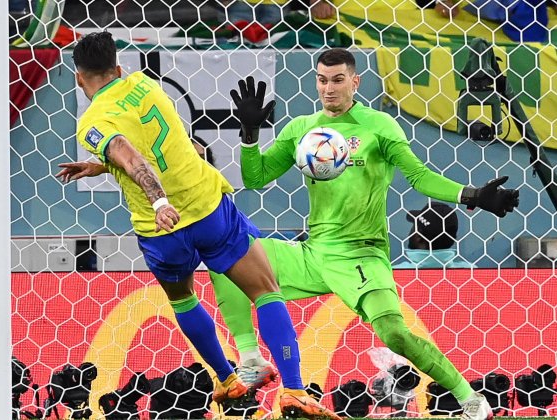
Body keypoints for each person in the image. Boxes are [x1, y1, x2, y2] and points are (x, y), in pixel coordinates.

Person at [210, 47, 518, 420]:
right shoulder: (302, 130)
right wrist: (248, 134)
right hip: (314, 253)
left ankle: (471, 401)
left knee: (395, 335)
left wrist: (471, 195)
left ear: (355, 81)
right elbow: (256, 178)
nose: (329, 89)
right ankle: (250, 358)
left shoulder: (379, 126)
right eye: (322, 80)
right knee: (226, 255)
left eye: (338, 80)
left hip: (362, 254)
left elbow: (418, 176)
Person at [55, 31, 341, 420]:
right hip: (205, 206)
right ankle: (293, 390)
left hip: (160, 228)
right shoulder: (144, 84)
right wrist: (101, 166)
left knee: (182, 299)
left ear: (78, 77)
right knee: (265, 289)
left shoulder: (92, 120)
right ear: (119, 68)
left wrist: (157, 199)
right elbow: (156, 145)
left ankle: (226, 378)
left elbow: (131, 156)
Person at [393, 201, 473, 269]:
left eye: (414, 226)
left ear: (418, 235)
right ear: (454, 239)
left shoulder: (391, 275)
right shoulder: (473, 273)